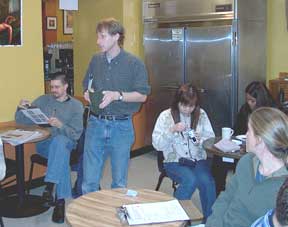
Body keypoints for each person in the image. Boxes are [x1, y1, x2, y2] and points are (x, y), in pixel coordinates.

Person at [81, 18, 150, 194]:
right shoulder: (95, 60)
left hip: (121, 126)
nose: (98, 41)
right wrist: (87, 93)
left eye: (102, 37)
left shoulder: (134, 63)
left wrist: (117, 96)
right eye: (98, 37)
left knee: (119, 183)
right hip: (95, 124)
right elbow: (86, 84)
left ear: (116, 37)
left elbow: (142, 96)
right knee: (88, 182)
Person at [15, 73, 83, 223]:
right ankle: (59, 201)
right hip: (45, 145)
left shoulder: (76, 106)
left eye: (57, 87)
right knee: (61, 157)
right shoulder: (43, 100)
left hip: (68, 144)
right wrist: (20, 108)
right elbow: (21, 121)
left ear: (66, 86)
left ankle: (51, 186)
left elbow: (76, 135)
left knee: (60, 142)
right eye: (51, 87)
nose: (53, 90)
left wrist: (61, 125)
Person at [204, 107, 288, 227]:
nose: (246, 135)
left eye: (249, 130)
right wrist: (213, 223)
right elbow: (226, 197)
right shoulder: (246, 161)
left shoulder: (283, 188)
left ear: (260, 140)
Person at [152, 83, 216, 222]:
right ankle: (174, 220)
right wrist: (172, 130)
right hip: (174, 161)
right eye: (184, 105)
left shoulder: (201, 114)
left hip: (197, 160)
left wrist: (201, 139)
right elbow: (156, 144)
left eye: (192, 106)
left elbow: (211, 139)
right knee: (190, 180)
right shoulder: (165, 116)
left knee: (207, 182)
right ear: (177, 102)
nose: (187, 110)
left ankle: (211, 222)